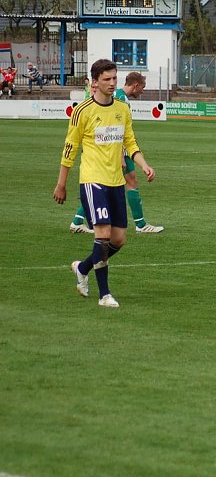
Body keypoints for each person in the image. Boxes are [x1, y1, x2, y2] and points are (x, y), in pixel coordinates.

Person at [53, 59, 156, 308]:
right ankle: (104, 294)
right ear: (95, 81)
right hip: (92, 181)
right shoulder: (83, 111)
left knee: (118, 240)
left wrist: (143, 164)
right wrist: (61, 184)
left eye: (114, 78)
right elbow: (70, 148)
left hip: (115, 182)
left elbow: (130, 142)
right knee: (102, 235)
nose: (112, 83)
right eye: (107, 79)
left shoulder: (122, 108)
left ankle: (83, 267)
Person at [69, 72, 164, 234]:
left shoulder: (118, 96)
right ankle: (141, 225)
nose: (142, 91)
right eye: (142, 88)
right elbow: (113, 128)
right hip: (117, 148)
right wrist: (120, 156)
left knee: (112, 184)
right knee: (122, 183)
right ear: (136, 85)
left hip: (117, 147)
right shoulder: (121, 99)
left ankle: (77, 220)